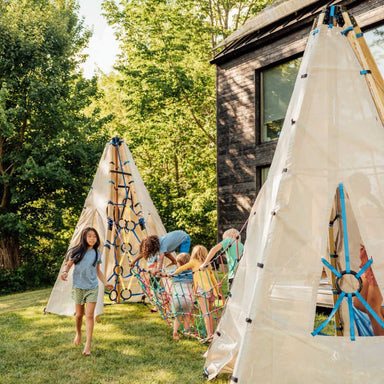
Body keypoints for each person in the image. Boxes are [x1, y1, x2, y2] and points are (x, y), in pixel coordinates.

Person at [61, 227, 113, 356]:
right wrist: (65, 272)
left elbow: (98, 271)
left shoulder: (97, 253)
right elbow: (68, 264)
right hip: (79, 287)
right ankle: (78, 333)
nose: (92, 239)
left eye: (94, 236)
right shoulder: (78, 251)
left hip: (92, 287)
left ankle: (88, 344)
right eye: (89, 236)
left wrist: (105, 283)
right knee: (79, 315)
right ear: (84, 237)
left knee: (90, 316)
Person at [172, 245, 218, 342]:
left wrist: (172, 273)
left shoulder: (193, 262)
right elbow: (213, 279)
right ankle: (211, 333)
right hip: (211, 290)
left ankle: (209, 335)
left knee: (206, 314)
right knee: (210, 313)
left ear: (194, 254)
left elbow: (182, 268)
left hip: (202, 290)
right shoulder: (207, 264)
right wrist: (217, 291)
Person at [353, 244, 384, 336]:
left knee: (372, 309)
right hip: (368, 252)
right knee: (359, 303)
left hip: (379, 253)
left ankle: (380, 347)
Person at [170, 252, 194, 340]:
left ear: (178, 263)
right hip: (187, 298)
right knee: (187, 315)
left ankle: (175, 331)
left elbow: (167, 274)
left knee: (178, 317)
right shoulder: (191, 273)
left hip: (176, 298)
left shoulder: (174, 273)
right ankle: (186, 330)